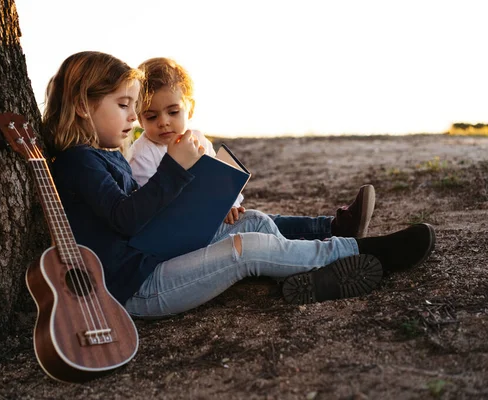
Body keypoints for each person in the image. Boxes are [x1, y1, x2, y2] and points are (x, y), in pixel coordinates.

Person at [43, 51, 436, 318]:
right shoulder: (78, 161)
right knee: (245, 249)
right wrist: (175, 169)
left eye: (133, 106)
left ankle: (311, 277)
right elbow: (125, 219)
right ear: (83, 105)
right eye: (124, 105)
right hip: (134, 289)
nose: (132, 117)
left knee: (255, 223)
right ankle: (370, 252)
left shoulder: (107, 154)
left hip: (152, 260)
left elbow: (139, 220)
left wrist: (201, 202)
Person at [129, 57, 374, 240]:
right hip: (186, 233)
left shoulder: (198, 139)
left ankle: (333, 226)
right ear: (140, 118)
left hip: (213, 218)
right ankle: (323, 245)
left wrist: (231, 203)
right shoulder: (142, 154)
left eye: (173, 112)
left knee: (262, 219)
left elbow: (221, 179)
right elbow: (154, 205)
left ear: (189, 109)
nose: (163, 122)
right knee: (257, 228)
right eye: (151, 116)